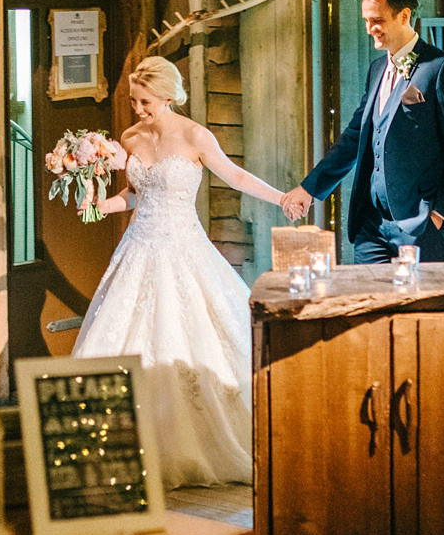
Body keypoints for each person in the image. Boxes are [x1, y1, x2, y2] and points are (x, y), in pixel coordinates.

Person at [73, 55, 286, 488]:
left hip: (183, 248)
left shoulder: (195, 136)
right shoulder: (130, 138)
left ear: (168, 97)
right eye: (134, 101)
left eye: (146, 101)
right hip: (138, 247)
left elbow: (237, 176)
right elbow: (132, 195)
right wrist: (100, 206)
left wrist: (283, 199)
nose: (138, 109)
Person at [281, 0, 444, 263]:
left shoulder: (443, 68)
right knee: (370, 305)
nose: (370, 29)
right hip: (371, 228)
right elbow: (354, 138)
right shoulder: (376, 69)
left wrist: (441, 215)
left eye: (377, 20)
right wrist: (309, 188)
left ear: (404, 16)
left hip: (422, 227)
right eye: (366, 21)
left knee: (426, 307)